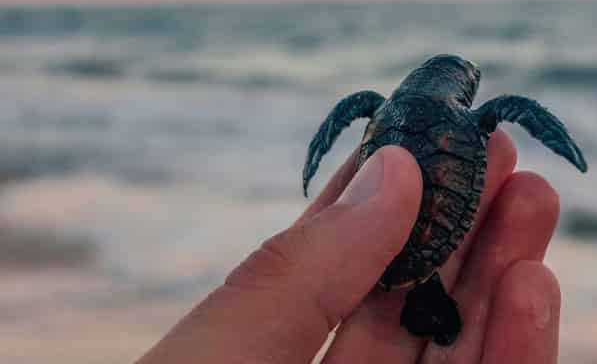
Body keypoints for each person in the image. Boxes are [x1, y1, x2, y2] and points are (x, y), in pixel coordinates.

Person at [137, 129, 562, 363]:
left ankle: (416, 296)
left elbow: (343, 118)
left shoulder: (383, 107)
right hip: (429, 239)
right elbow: (520, 114)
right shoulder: (472, 121)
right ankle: (425, 296)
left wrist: (315, 161)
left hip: (375, 254)